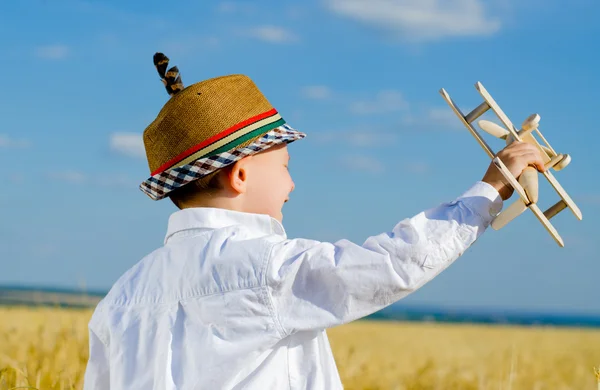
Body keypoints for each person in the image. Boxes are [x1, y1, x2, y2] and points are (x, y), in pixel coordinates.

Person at [83, 53, 547, 389]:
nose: (291, 185)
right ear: (240, 175)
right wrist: (491, 190)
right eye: (283, 166)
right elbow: (393, 264)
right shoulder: (266, 268)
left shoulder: (121, 299)